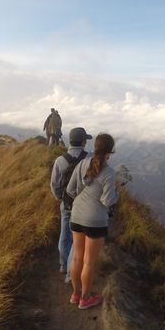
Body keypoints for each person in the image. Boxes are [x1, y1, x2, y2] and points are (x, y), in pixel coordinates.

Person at [66, 133, 118, 310]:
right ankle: (85, 298)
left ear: (95, 146)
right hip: (95, 220)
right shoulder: (109, 172)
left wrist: (82, 200)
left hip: (76, 215)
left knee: (77, 258)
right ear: (110, 151)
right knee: (89, 262)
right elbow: (108, 201)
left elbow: (70, 189)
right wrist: (117, 191)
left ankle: (75, 294)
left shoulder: (82, 163)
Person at [49, 127, 92, 283]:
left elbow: (54, 184)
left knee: (64, 235)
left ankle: (63, 264)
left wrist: (61, 197)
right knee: (78, 240)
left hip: (66, 204)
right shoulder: (90, 159)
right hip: (84, 206)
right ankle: (70, 273)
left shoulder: (60, 160)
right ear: (83, 141)